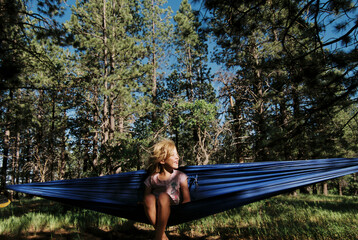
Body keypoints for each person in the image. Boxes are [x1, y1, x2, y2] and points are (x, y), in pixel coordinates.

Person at [143, 139, 191, 240]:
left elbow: (187, 199)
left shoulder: (180, 176)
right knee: (149, 198)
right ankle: (162, 236)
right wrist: (143, 202)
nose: (177, 157)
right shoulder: (152, 178)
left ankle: (158, 235)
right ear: (162, 160)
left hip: (173, 206)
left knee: (163, 196)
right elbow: (146, 196)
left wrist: (184, 210)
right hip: (156, 209)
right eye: (173, 155)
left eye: (177, 154)